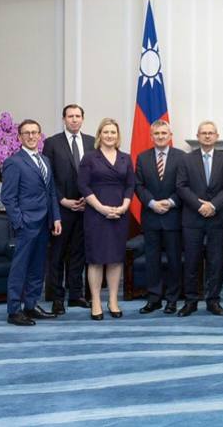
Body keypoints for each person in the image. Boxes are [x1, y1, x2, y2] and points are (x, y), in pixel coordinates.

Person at [1, 119, 61, 326]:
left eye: (35, 132)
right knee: (20, 268)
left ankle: (31, 305)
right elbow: (8, 197)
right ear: (19, 137)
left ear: (40, 136)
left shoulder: (45, 160)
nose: (31, 136)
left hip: (45, 223)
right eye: (26, 133)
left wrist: (56, 217)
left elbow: (51, 192)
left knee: (37, 267)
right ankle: (14, 310)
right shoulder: (14, 162)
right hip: (26, 225)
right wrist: (19, 222)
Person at [175, 121, 223, 317]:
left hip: (217, 218)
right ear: (198, 136)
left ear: (217, 136)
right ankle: (191, 302)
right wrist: (199, 205)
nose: (207, 136)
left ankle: (213, 301)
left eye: (211, 133)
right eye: (204, 133)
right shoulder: (186, 159)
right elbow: (181, 186)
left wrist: (213, 205)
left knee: (215, 262)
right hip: (192, 218)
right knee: (191, 261)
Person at [78, 118, 134, 321]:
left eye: (113, 132)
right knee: (96, 259)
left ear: (118, 136)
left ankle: (112, 300)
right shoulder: (89, 158)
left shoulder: (125, 158)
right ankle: (95, 301)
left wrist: (124, 207)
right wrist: (101, 208)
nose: (110, 135)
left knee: (115, 259)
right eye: (106, 132)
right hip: (96, 214)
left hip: (119, 214)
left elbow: (130, 185)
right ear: (99, 135)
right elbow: (83, 185)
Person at [42, 103, 94, 314]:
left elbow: (96, 174)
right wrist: (62, 200)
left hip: (86, 207)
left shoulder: (92, 142)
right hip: (61, 208)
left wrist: (89, 199)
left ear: (82, 119)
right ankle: (57, 298)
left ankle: (76, 295)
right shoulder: (52, 143)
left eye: (77, 116)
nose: (74, 119)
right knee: (57, 254)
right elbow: (47, 177)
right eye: (70, 116)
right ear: (64, 119)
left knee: (79, 253)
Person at [135, 120, 185, 315]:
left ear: (170, 136)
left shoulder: (181, 157)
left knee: (174, 260)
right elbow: (138, 185)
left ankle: (172, 300)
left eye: (164, 133)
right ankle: (154, 299)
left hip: (173, 217)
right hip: (151, 217)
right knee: (152, 261)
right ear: (151, 136)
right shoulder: (142, 157)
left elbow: (184, 185)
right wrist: (152, 203)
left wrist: (171, 202)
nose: (161, 136)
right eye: (157, 133)